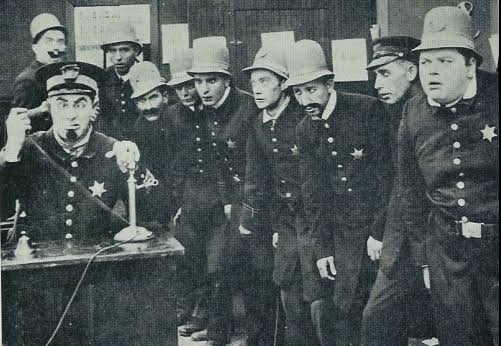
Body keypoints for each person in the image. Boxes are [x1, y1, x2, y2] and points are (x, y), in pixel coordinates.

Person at [395, 5, 498, 345]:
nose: (432, 73)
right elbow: (409, 192)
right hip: (446, 256)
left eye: (445, 62)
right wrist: (424, 259)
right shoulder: (413, 112)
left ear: (470, 65)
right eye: (425, 62)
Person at [291, 40, 392, 345]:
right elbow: (313, 194)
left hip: (380, 228)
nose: (305, 98)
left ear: (329, 84)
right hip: (341, 233)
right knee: (343, 307)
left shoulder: (367, 110)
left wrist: (379, 231)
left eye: (311, 89)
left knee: (380, 313)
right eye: (297, 92)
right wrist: (321, 248)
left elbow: (388, 176)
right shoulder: (305, 130)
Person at [0, 61, 163, 242]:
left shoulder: (111, 150)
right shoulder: (29, 148)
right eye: (62, 105)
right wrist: (11, 152)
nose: (71, 115)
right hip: (38, 263)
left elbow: (157, 213)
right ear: (49, 108)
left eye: (80, 105)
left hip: (95, 264)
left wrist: (135, 169)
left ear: (94, 108)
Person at [180, 36, 257, 345]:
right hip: (231, 201)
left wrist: (241, 204)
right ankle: (218, 331)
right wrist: (227, 201)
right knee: (221, 266)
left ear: (226, 80)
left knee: (247, 267)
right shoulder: (209, 109)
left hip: (255, 198)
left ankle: (247, 333)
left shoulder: (248, 106)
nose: (204, 88)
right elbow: (218, 160)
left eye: (211, 81)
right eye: (199, 81)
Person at [361, 36, 435, 345]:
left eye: (385, 73)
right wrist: (381, 231)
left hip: (433, 240)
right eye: (375, 74)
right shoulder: (394, 113)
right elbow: (398, 183)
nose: (377, 84)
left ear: (411, 70)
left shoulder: (427, 111)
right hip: (404, 241)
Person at [239, 45, 296, 345]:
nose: (258, 90)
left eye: (265, 81)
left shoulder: (300, 117)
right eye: (253, 83)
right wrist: (249, 218)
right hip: (272, 218)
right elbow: (255, 176)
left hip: (303, 219)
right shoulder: (257, 123)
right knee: (261, 277)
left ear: (283, 83)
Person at [127, 61, 177, 225]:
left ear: (165, 96)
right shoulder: (138, 127)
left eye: (153, 97)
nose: (148, 107)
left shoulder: (179, 120)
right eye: (141, 100)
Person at [11, 13, 67, 133]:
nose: (55, 47)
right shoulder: (27, 80)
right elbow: (20, 122)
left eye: (60, 41)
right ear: (35, 48)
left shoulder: (58, 75)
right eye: (49, 41)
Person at [98, 21, 142, 140]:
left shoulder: (147, 75)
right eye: (112, 50)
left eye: (124, 50)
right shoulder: (102, 78)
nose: (118, 57)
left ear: (136, 51)